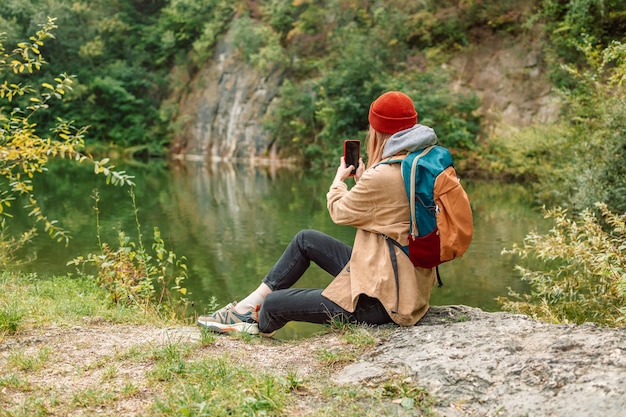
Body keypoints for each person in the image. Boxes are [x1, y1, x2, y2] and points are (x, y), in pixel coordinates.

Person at [198, 91, 439, 336]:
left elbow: (340, 211)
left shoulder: (385, 174)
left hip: (382, 303)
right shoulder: (416, 165)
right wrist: (364, 181)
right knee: (306, 240)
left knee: (274, 305)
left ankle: (250, 323)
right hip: (396, 280)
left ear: (378, 131)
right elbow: (389, 214)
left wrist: (338, 180)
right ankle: (248, 306)